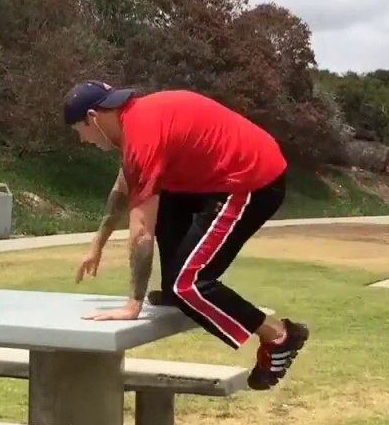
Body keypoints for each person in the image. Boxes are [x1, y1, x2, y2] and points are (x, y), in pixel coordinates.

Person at [63, 80, 309, 391]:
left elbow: (141, 234)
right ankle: (174, 291)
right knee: (176, 277)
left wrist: (133, 304)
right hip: (222, 177)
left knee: (189, 285)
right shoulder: (137, 121)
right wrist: (96, 245)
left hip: (251, 180)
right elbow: (122, 190)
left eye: (78, 130)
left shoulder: (143, 137)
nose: (82, 140)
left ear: (93, 116)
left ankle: (279, 336)